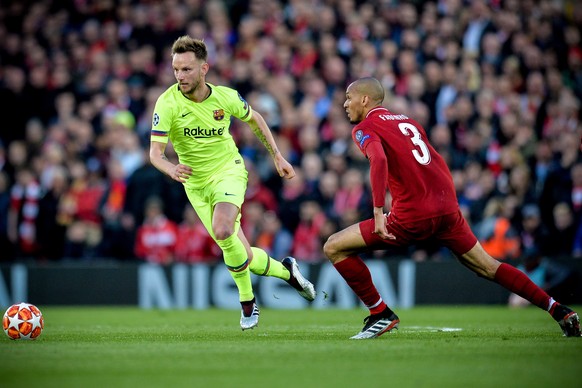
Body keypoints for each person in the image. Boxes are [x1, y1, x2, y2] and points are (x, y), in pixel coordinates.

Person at [323, 77, 580, 339]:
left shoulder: (365, 127)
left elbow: (378, 159)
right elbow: (432, 161)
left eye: (348, 97)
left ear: (365, 100)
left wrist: (378, 211)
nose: (345, 104)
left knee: (334, 246)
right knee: (488, 267)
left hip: (414, 214)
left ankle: (380, 313)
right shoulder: (408, 122)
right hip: (448, 210)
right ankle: (558, 310)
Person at [149, 36, 315, 330]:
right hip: (194, 184)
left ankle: (248, 303)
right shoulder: (167, 103)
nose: (180, 76)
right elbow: (155, 154)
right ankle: (287, 271)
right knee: (243, 254)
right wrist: (170, 168)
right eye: (176, 69)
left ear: (204, 69)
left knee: (223, 228)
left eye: (186, 69)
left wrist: (277, 156)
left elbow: (256, 119)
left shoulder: (225, 97)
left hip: (229, 170)